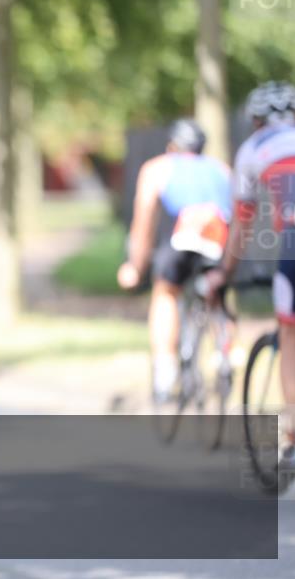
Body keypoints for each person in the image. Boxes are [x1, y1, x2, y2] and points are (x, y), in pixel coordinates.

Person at [206, 80, 295, 477]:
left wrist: (224, 274)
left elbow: (242, 225)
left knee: (291, 337)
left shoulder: (253, 149)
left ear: (255, 120)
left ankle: (294, 443)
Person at [117, 118, 233, 401]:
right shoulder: (222, 170)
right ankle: (225, 356)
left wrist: (136, 265)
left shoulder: (158, 168)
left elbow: (143, 222)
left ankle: (165, 370)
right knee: (215, 296)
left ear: (172, 146)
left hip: (184, 239)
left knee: (166, 292)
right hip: (220, 241)